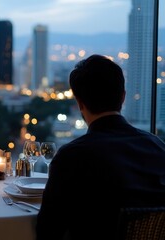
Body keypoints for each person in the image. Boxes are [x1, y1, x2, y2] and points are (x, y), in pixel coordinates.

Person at [36, 54, 165, 240]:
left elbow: (47, 231)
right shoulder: (158, 147)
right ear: (123, 97)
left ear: (80, 103)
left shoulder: (72, 157)